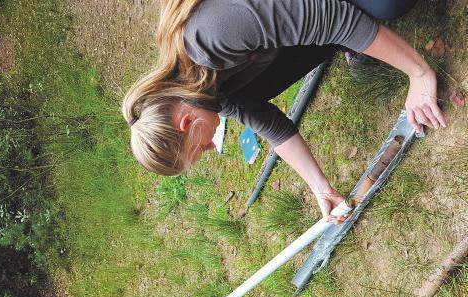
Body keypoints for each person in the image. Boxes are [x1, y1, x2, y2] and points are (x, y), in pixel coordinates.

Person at [123, 0, 446, 222]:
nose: (210, 147)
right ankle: (357, 38)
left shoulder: (212, 35)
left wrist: (418, 74)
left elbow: (336, 20)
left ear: (185, 122)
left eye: (200, 147)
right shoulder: (202, 92)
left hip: (325, 14)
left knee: (389, 5)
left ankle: (365, 32)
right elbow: (274, 129)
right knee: (254, 93)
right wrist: (322, 189)